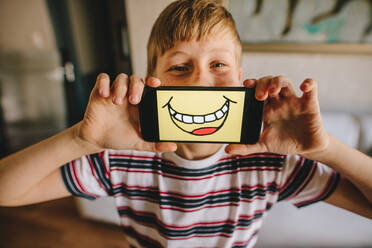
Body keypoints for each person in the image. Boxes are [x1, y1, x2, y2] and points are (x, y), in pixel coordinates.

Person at [0, 0, 371, 247]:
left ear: (242, 76)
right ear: (151, 80)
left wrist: (325, 149)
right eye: (179, 67)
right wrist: (82, 140)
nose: (200, 80)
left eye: (219, 65)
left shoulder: (270, 162)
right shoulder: (119, 158)